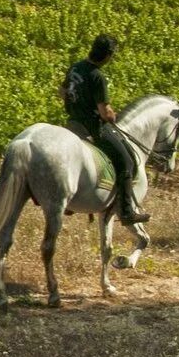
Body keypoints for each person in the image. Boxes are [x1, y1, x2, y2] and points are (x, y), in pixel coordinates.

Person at [63, 34, 149, 224]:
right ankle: (127, 213)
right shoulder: (97, 76)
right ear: (108, 55)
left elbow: (62, 91)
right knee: (127, 161)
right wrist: (113, 116)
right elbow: (105, 112)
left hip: (72, 124)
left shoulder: (76, 67)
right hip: (92, 128)